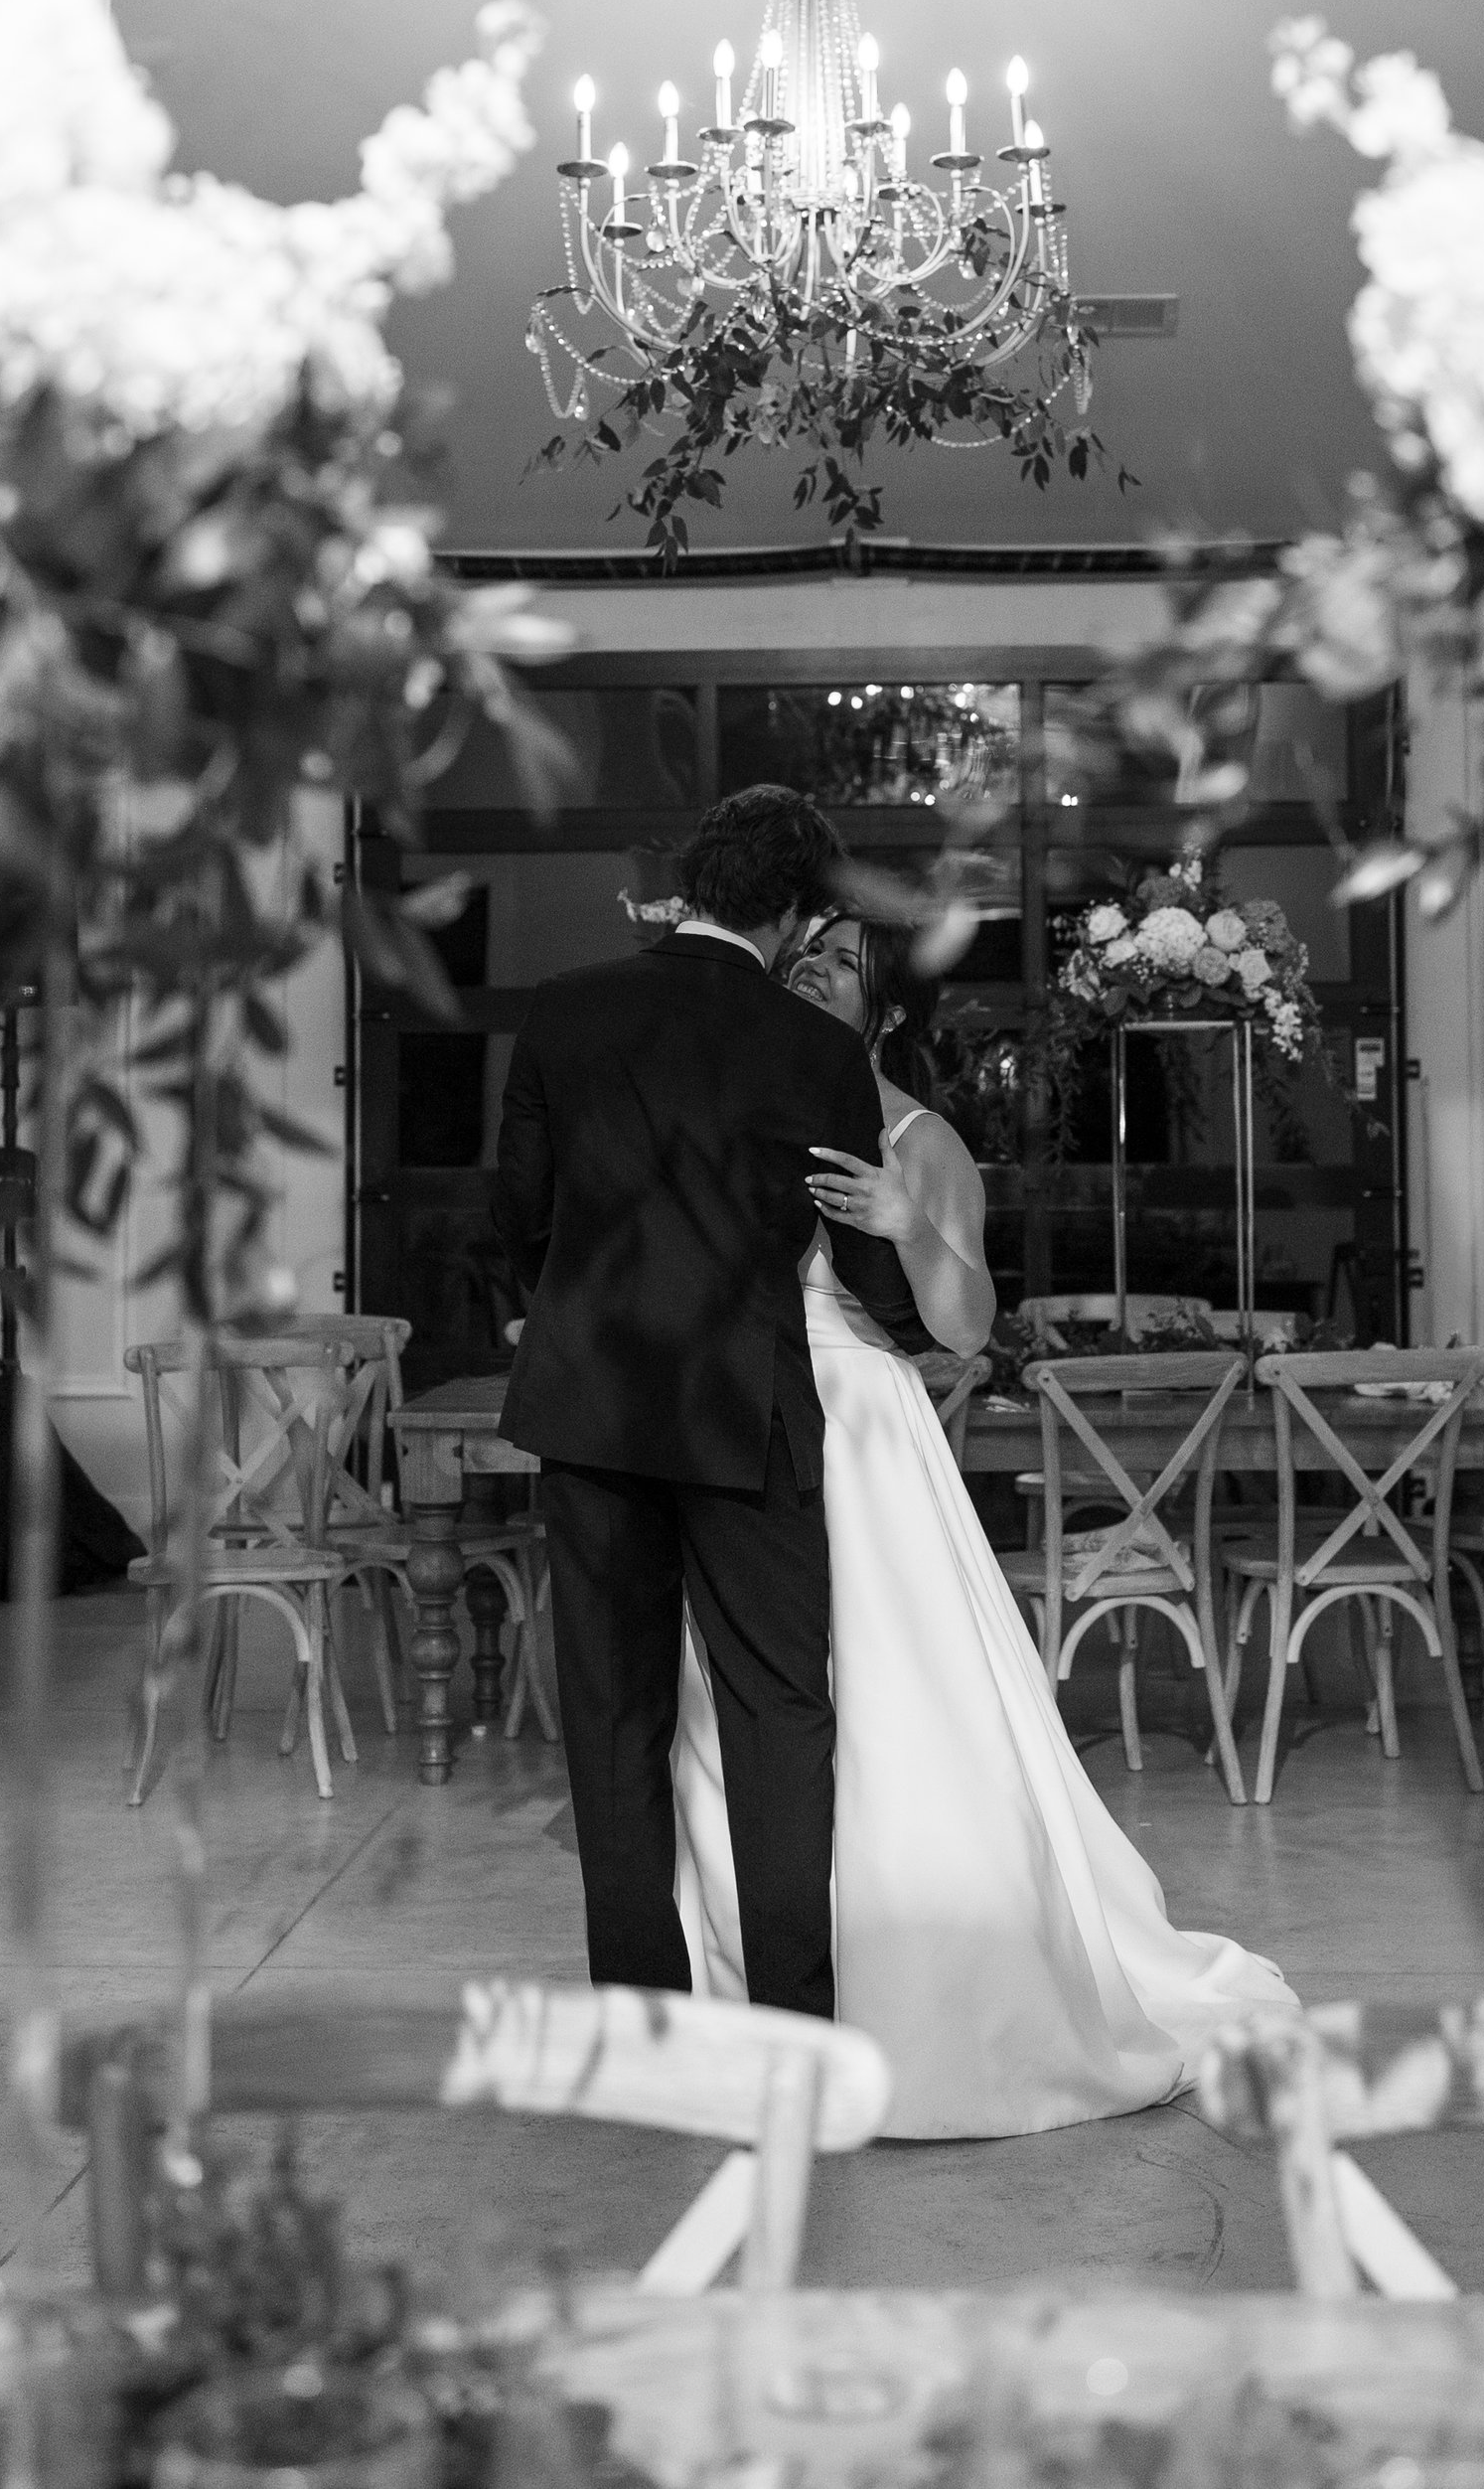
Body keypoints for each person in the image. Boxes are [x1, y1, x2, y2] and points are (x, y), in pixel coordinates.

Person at [672, 909, 1299, 2137]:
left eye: (841, 962)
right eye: (803, 949)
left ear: (887, 1011)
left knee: (896, 1716)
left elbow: (965, 1324)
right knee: (736, 1715)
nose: (811, 967)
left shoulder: (915, 1133)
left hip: (857, 1434)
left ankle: (930, 2000)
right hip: (734, 1428)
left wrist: (905, 1227)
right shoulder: (733, 1098)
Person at [493, 784, 923, 2020]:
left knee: (612, 1715)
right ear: (790, 912)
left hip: (593, 1408)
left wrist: (569, 1309)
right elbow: (867, 1266)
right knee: (777, 1711)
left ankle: (642, 2018)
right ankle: (792, 2022)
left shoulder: (566, 1012)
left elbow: (514, 1214)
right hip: (748, 1412)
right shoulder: (820, 1052)